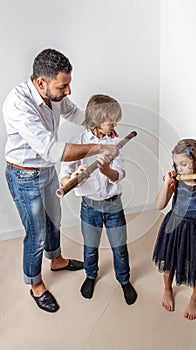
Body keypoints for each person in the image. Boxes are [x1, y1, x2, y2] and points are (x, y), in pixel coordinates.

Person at [3, 48, 118, 313]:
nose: (68, 91)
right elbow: (53, 150)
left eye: (69, 84)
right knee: (37, 233)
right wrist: (98, 148)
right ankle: (35, 285)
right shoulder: (18, 104)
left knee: (54, 220)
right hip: (23, 174)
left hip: (45, 170)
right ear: (41, 82)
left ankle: (56, 260)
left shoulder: (53, 95)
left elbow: (77, 114)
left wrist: (103, 125)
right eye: (63, 86)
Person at [60, 94, 138, 305]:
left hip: (113, 205)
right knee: (90, 247)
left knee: (120, 249)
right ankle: (91, 275)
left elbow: (120, 175)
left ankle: (124, 280)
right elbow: (64, 174)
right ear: (95, 120)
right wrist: (73, 178)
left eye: (115, 120)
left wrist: (106, 170)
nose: (115, 124)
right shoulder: (78, 143)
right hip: (89, 207)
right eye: (110, 120)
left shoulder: (114, 142)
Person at [153, 139, 196, 320]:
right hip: (174, 227)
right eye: (177, 165)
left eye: (184, 164)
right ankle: (168, 289)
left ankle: (194, 298)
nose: (180, 169)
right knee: (170, 263)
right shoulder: (177, 181)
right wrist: (166, 182)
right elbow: (159, 205)